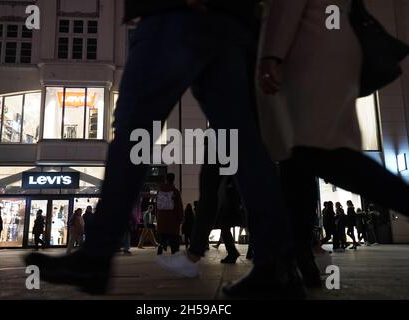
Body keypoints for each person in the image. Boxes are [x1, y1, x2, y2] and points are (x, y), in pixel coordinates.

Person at [26, 0, 302, 298]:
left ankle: (95, 255)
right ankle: (277, 265)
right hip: (232, 22)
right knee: (243, 144)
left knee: (134, 130)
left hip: (175, 13)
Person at [257, 0, 409, 288]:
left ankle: (294, 260)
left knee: (322, 155)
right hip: (322, 42)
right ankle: (296, 261)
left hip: (310, 45)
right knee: (298, 160)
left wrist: (271, 53)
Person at [156, 173, 184, 255]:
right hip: (173, 221)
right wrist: (181, 218)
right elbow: (179, 206)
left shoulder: (160, 191)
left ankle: (160, 250)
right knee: (174, 242)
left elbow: (157, 206)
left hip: (162, 220)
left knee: (162, 240)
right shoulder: (175, 192)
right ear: (173, 179)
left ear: (166, 180)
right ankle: (174, 256)